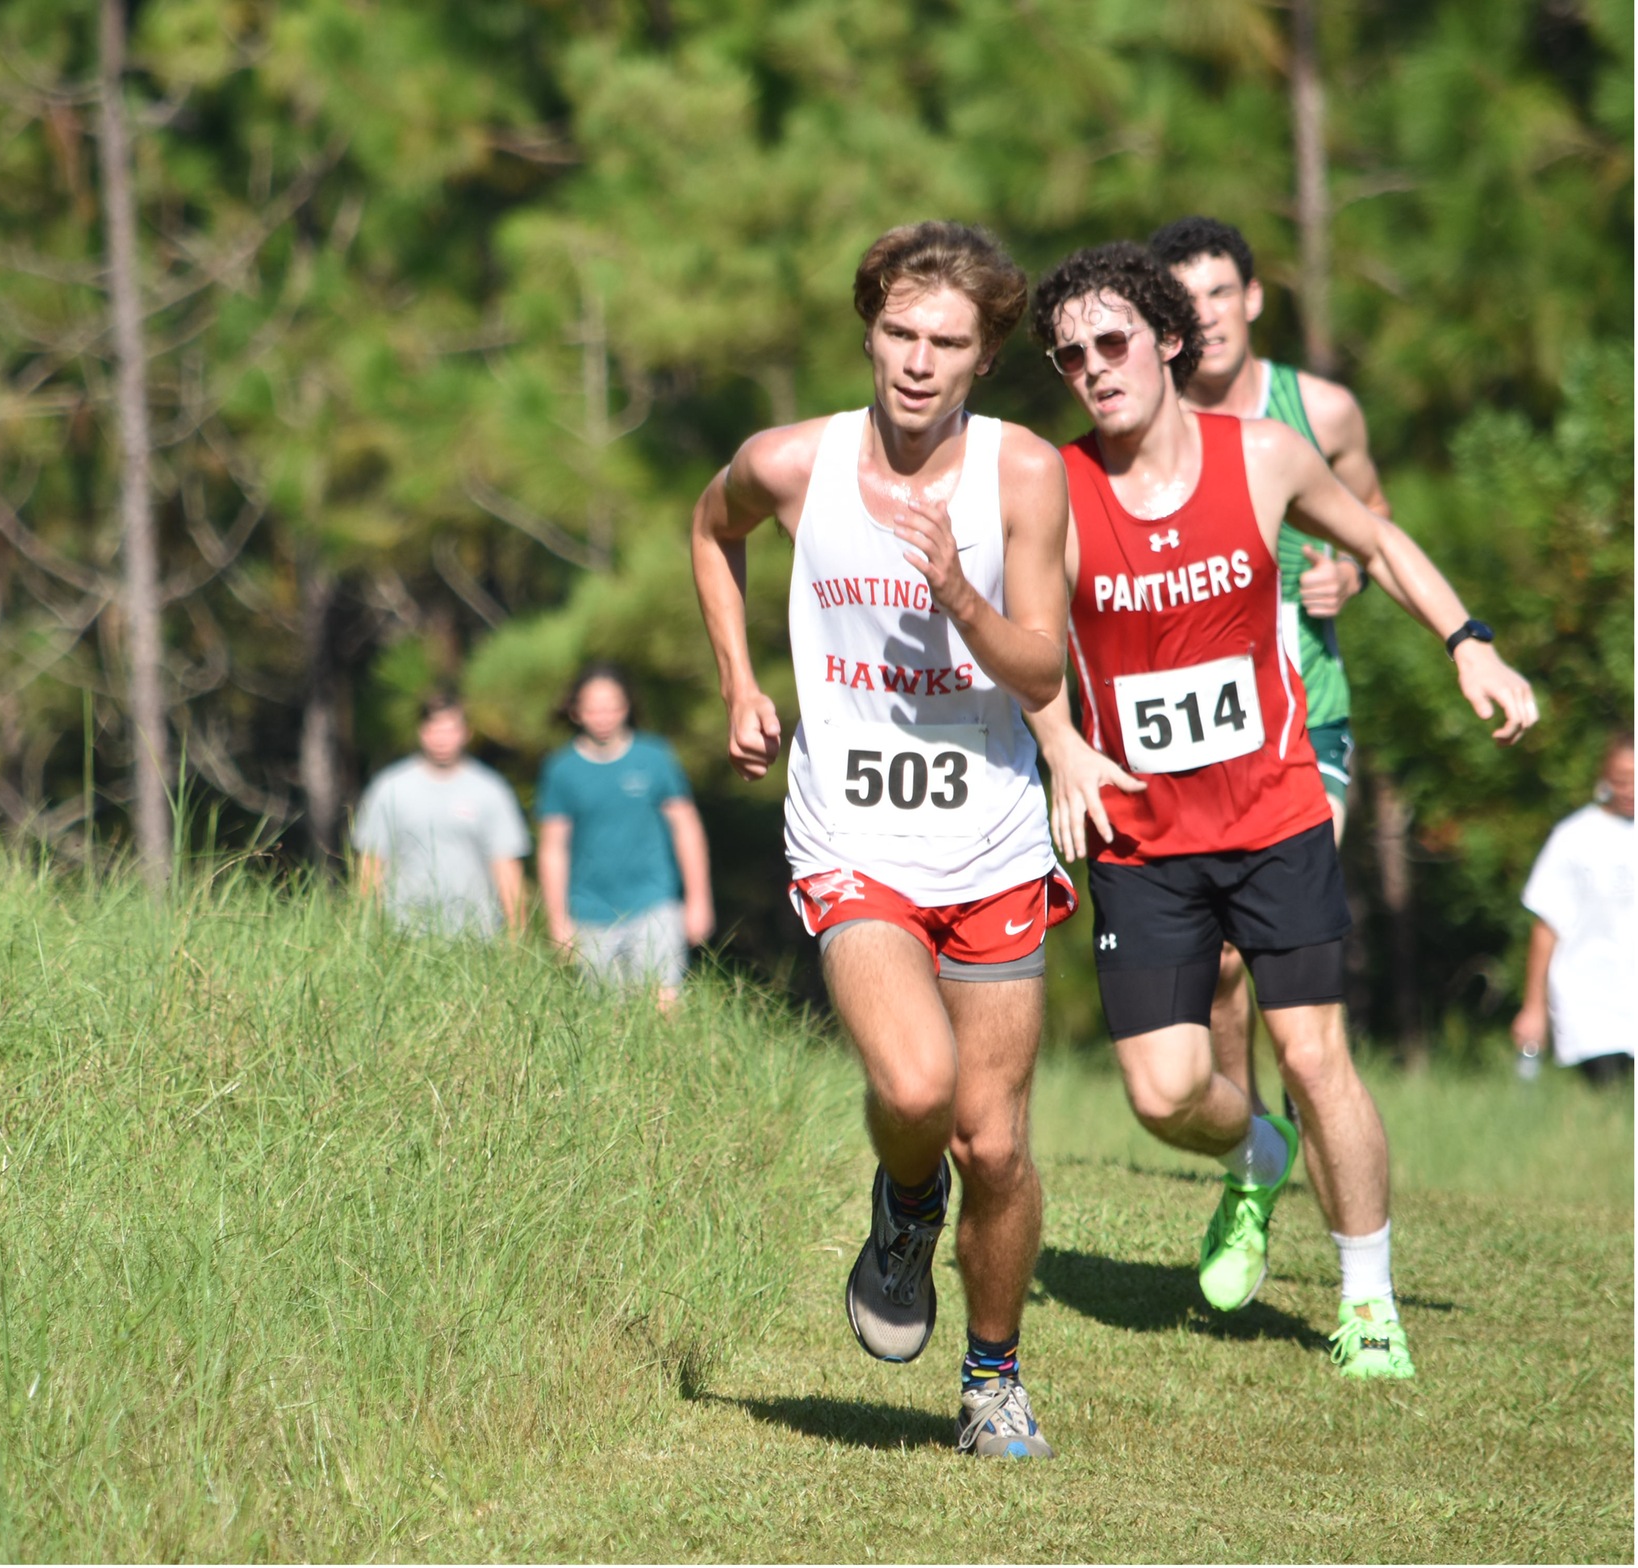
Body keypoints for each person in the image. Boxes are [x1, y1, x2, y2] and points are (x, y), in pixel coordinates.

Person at [1025, 242, 1537, 1381]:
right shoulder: (1050, 487)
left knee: (1315, 1056)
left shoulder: (1262, 456)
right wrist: (1058, 745)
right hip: (1141, 836)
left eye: (1112, 342)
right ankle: (1254, 1153)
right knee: (1162, 1092)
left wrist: (1469, 645)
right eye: (1071, 356)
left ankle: (1366, 1300)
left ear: (1166, 338)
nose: (1094, 369)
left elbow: (1381, 540)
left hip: (1273, 814)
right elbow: (1021, 635)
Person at [690, 221, 1073, 1458]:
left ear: (985, 355)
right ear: (868, 328)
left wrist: (962, 597)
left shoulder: (1020, 476)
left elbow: (1042, 662)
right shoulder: (793, 461)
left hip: (995, 836)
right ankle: (905, 1208)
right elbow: (710, 529)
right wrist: (741, 683)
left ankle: (992, 1376)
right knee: (915, 1089)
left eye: (945, 341)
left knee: (997, 1139)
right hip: (851, 824)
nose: (916, 360)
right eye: (899, 332)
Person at [1152, 216, 1392, 1122]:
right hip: (1195, 726)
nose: (1207, 315)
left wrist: (1350, 570)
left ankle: (1314, 1090)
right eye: (1186, 299)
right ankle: (1254, 1145)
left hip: (1308, 713)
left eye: (1221, 292)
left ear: (1253, 299)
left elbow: (1372, 513)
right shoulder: (1145, 422)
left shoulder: (1321, 410)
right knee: (1216, 966)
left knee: (1282, 936)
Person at [534, 664, 714, 1008]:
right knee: (606, 1016)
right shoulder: (561, 770)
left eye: (611, 705)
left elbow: (686, 828)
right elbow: (553, 848)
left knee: (664, 1003)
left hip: (653, 904)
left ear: (627, 707)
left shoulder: (655, 757)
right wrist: (557, 920)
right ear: (575, 711)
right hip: (589, 911)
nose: (603, 716)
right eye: (592, 707)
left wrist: (698, 900)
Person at [352, 691, 530, 938]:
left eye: (450, 730)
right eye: (434, 729)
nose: (442, 739)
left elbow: (507, 867)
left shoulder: (490, 791)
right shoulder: (390, 788)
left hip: (476, 938)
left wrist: (516, 936)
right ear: (421, 732)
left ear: (466, 733)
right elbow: (371, 864)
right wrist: (366, 929)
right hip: (404, 937)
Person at [1512, 732, 1634, 1087]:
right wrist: (1534, 1007)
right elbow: (1546, 925)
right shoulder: (1574, 838)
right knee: (1611, 1100)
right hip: (1593, 1003)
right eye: (1622, 779)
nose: (1629, 789)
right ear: (1605, 777)